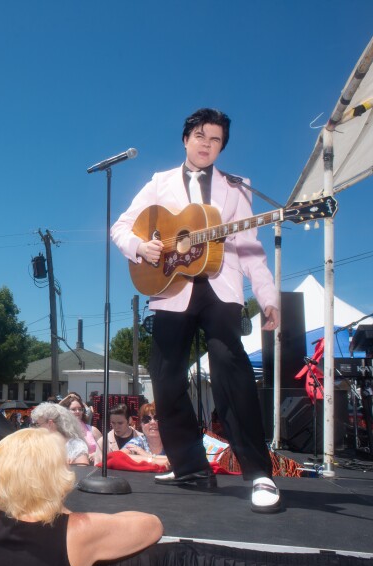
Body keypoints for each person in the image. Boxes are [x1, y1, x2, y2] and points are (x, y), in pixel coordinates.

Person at [111, 108, 281, 513]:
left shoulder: (238, 188)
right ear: (186, 139)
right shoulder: (159, 183)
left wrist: (269, 298)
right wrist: (143, 247)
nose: (207, 145)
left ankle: (259, 473)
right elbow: (122, 227)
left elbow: (252, 250)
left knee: (230, 366)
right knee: (165, 377)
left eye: (216, 140)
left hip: (220, 290)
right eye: (201, 136)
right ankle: (190, 466)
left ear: (222, 147)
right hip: (171, 288)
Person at [0, 428, 163, 566]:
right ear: (57, 475)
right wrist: (67, 513)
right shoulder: (79, 530)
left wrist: (13, 500)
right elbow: (153, 525)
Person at [122, 403, 170, 469]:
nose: (153, 422)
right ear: (141, 424)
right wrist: (159, 460)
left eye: (157, 418)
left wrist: (147, 455)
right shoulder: (138, 442)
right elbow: (119, 456)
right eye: (146, 419)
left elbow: (179, 461)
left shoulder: (172, 442)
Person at [59, 393, 103, 463]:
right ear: (66, 412)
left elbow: (106, 450)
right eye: (73, 409)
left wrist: (96, 454)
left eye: (80, 409)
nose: (78, 412)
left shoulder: (93, 430)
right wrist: (67, 397)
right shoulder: (61, 431)